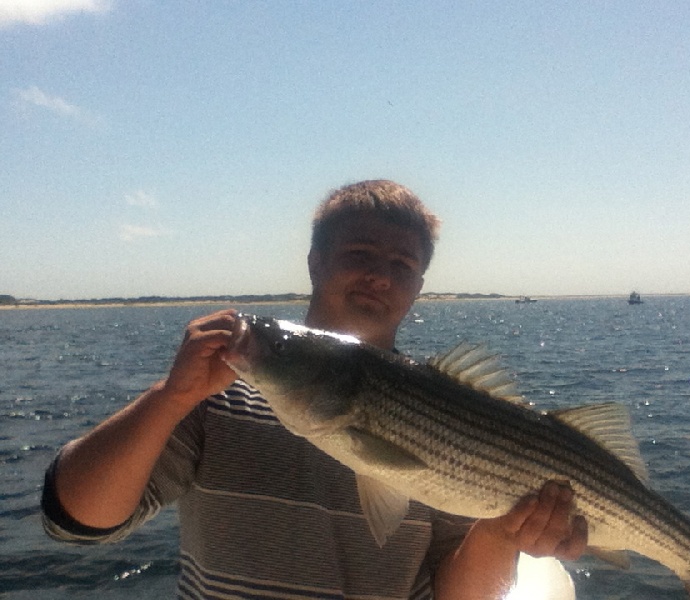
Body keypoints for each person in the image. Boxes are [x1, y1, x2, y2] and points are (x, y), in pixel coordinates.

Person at [41, 180, 587, 599]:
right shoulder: (212, 393)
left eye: (402, 264)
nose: (380, 275)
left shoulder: (453, 413)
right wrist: (171, 399)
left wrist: (501, 534)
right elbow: (77, 522)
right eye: (360, 254)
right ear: (315, 261)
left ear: (418, 287)